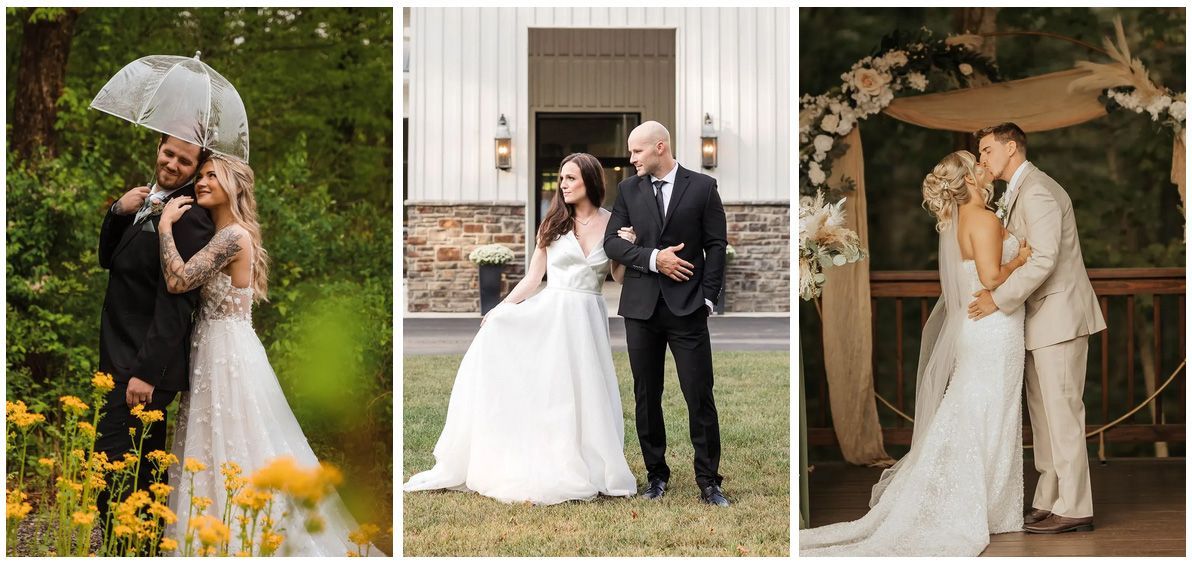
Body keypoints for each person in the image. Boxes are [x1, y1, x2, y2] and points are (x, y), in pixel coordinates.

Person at [800, 150, 1033, 556]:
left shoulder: (961, 223)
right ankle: (989, 506)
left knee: (972, 406)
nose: (984, 167)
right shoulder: (986, 219)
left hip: (976, 328)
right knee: (990, 408)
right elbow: (993, 277)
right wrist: (1023, 260)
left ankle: (982, 500)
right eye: (976, 165)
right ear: (969, 180)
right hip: (994, 326)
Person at [155, 154, 373, 555]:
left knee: (238, 445)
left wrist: (165, 225)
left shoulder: (233, 237)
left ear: (233, 187)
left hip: (226, 354)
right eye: (199, 176)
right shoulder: (220, 234)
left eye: (211, 177)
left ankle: (250, 541)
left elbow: (177, 279)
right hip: (213, 348)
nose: (201, 182)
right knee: (213, 445)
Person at [404, 153, 638, 505]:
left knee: (588, 389)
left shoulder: (612, 223)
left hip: (589, 313)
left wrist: (629, 247)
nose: (564, 184)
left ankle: (593, 461)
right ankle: (551, 456)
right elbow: (533, 278)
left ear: (590, 180)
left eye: (571, 178)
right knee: (556, 391)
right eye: (561, 178)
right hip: (554, 313)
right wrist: (501, 309)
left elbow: (617, 276)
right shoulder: (554, 224)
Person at [969, 123, 1105, 534]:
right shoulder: (1020, 190)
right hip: (1038, 320)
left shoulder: (1040, 190)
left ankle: (1076, 505)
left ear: (1012, 148)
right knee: (1043, 416)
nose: (982, 159)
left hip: (1059, 318)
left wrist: (999, 298)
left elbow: (1044, 260)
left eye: (988, 150)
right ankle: (1049, 498)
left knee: (1062, 415)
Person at [602, 121, 730, 507]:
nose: (630, 158)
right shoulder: (627, 189)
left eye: (636, 151)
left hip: (688, 307)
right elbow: (611, 243)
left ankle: (709, 481)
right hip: (641, 309)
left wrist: (708, 298)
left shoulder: (703, 187)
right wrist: (654, 259)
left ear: (660, 147)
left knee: (699, 394)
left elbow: (716, 245)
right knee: (646, 395)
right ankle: (656, 477)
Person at [96, 134, 214, 528]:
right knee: (121, 468)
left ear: (195, 168)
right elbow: (107, 259)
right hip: (118, 355)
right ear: (158, 149)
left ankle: (136, 549)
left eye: (184, 160)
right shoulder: (142, 201)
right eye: (168, 153)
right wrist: (117, 211)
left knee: (127, 472)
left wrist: (147, 372)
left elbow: (177, 304)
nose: (172, 164)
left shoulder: (190, 217)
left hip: (143, 369)